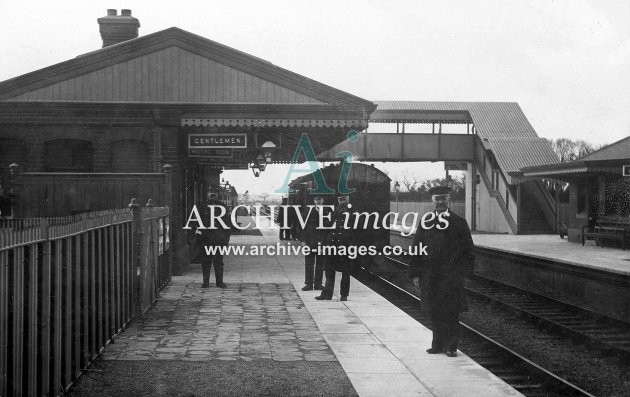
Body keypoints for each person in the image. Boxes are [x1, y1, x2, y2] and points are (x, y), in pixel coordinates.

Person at [408, 186, 474, 357]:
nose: (440, 202)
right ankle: (437, 344)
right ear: (433, 201)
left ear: (448, 200)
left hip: (451, 276)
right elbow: (417, 247)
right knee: (434, 310)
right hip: (430, 275)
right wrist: (415, 273)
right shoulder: (425, 222)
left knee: (451, 311)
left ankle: (451, 346)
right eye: (437, 199)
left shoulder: (459, 222)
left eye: (443, 198)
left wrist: (465, 273)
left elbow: (469, 250)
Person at [316, 195, 356, 302]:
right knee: (332, 270)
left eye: (343, 199)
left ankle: (337, 295)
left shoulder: (346, 212)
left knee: (339, 271)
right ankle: (333, 294)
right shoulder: (339, 211)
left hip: (341, 245)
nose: (342, 201)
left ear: (347, 199)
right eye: (340, 199)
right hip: (337, 245)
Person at [195, 186, 231, 288]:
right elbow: (197, 223)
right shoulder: (202, 206)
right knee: (205, 261)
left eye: (214, 192)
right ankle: (205, 282)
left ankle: (219, 282)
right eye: (210, 191)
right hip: (205, 239)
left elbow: (227, 225)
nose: (212, 194)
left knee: (218, 262)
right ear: (207, 194)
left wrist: (226, 239)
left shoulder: (223, 207)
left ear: (218, 194)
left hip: (218, 240)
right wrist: (199, 237)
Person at [300, 195, 328, 291]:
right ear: (314, 201)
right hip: (309, 241)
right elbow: (302, 226)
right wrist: (303, 241)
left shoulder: (327, 212)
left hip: (322, 241)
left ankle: (318, 284)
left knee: (320, 263)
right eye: (316, 199)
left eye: (320, 199)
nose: (318, 201)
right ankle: (308, 284)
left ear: (323, 200)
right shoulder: (307, 212)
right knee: (309, 263)